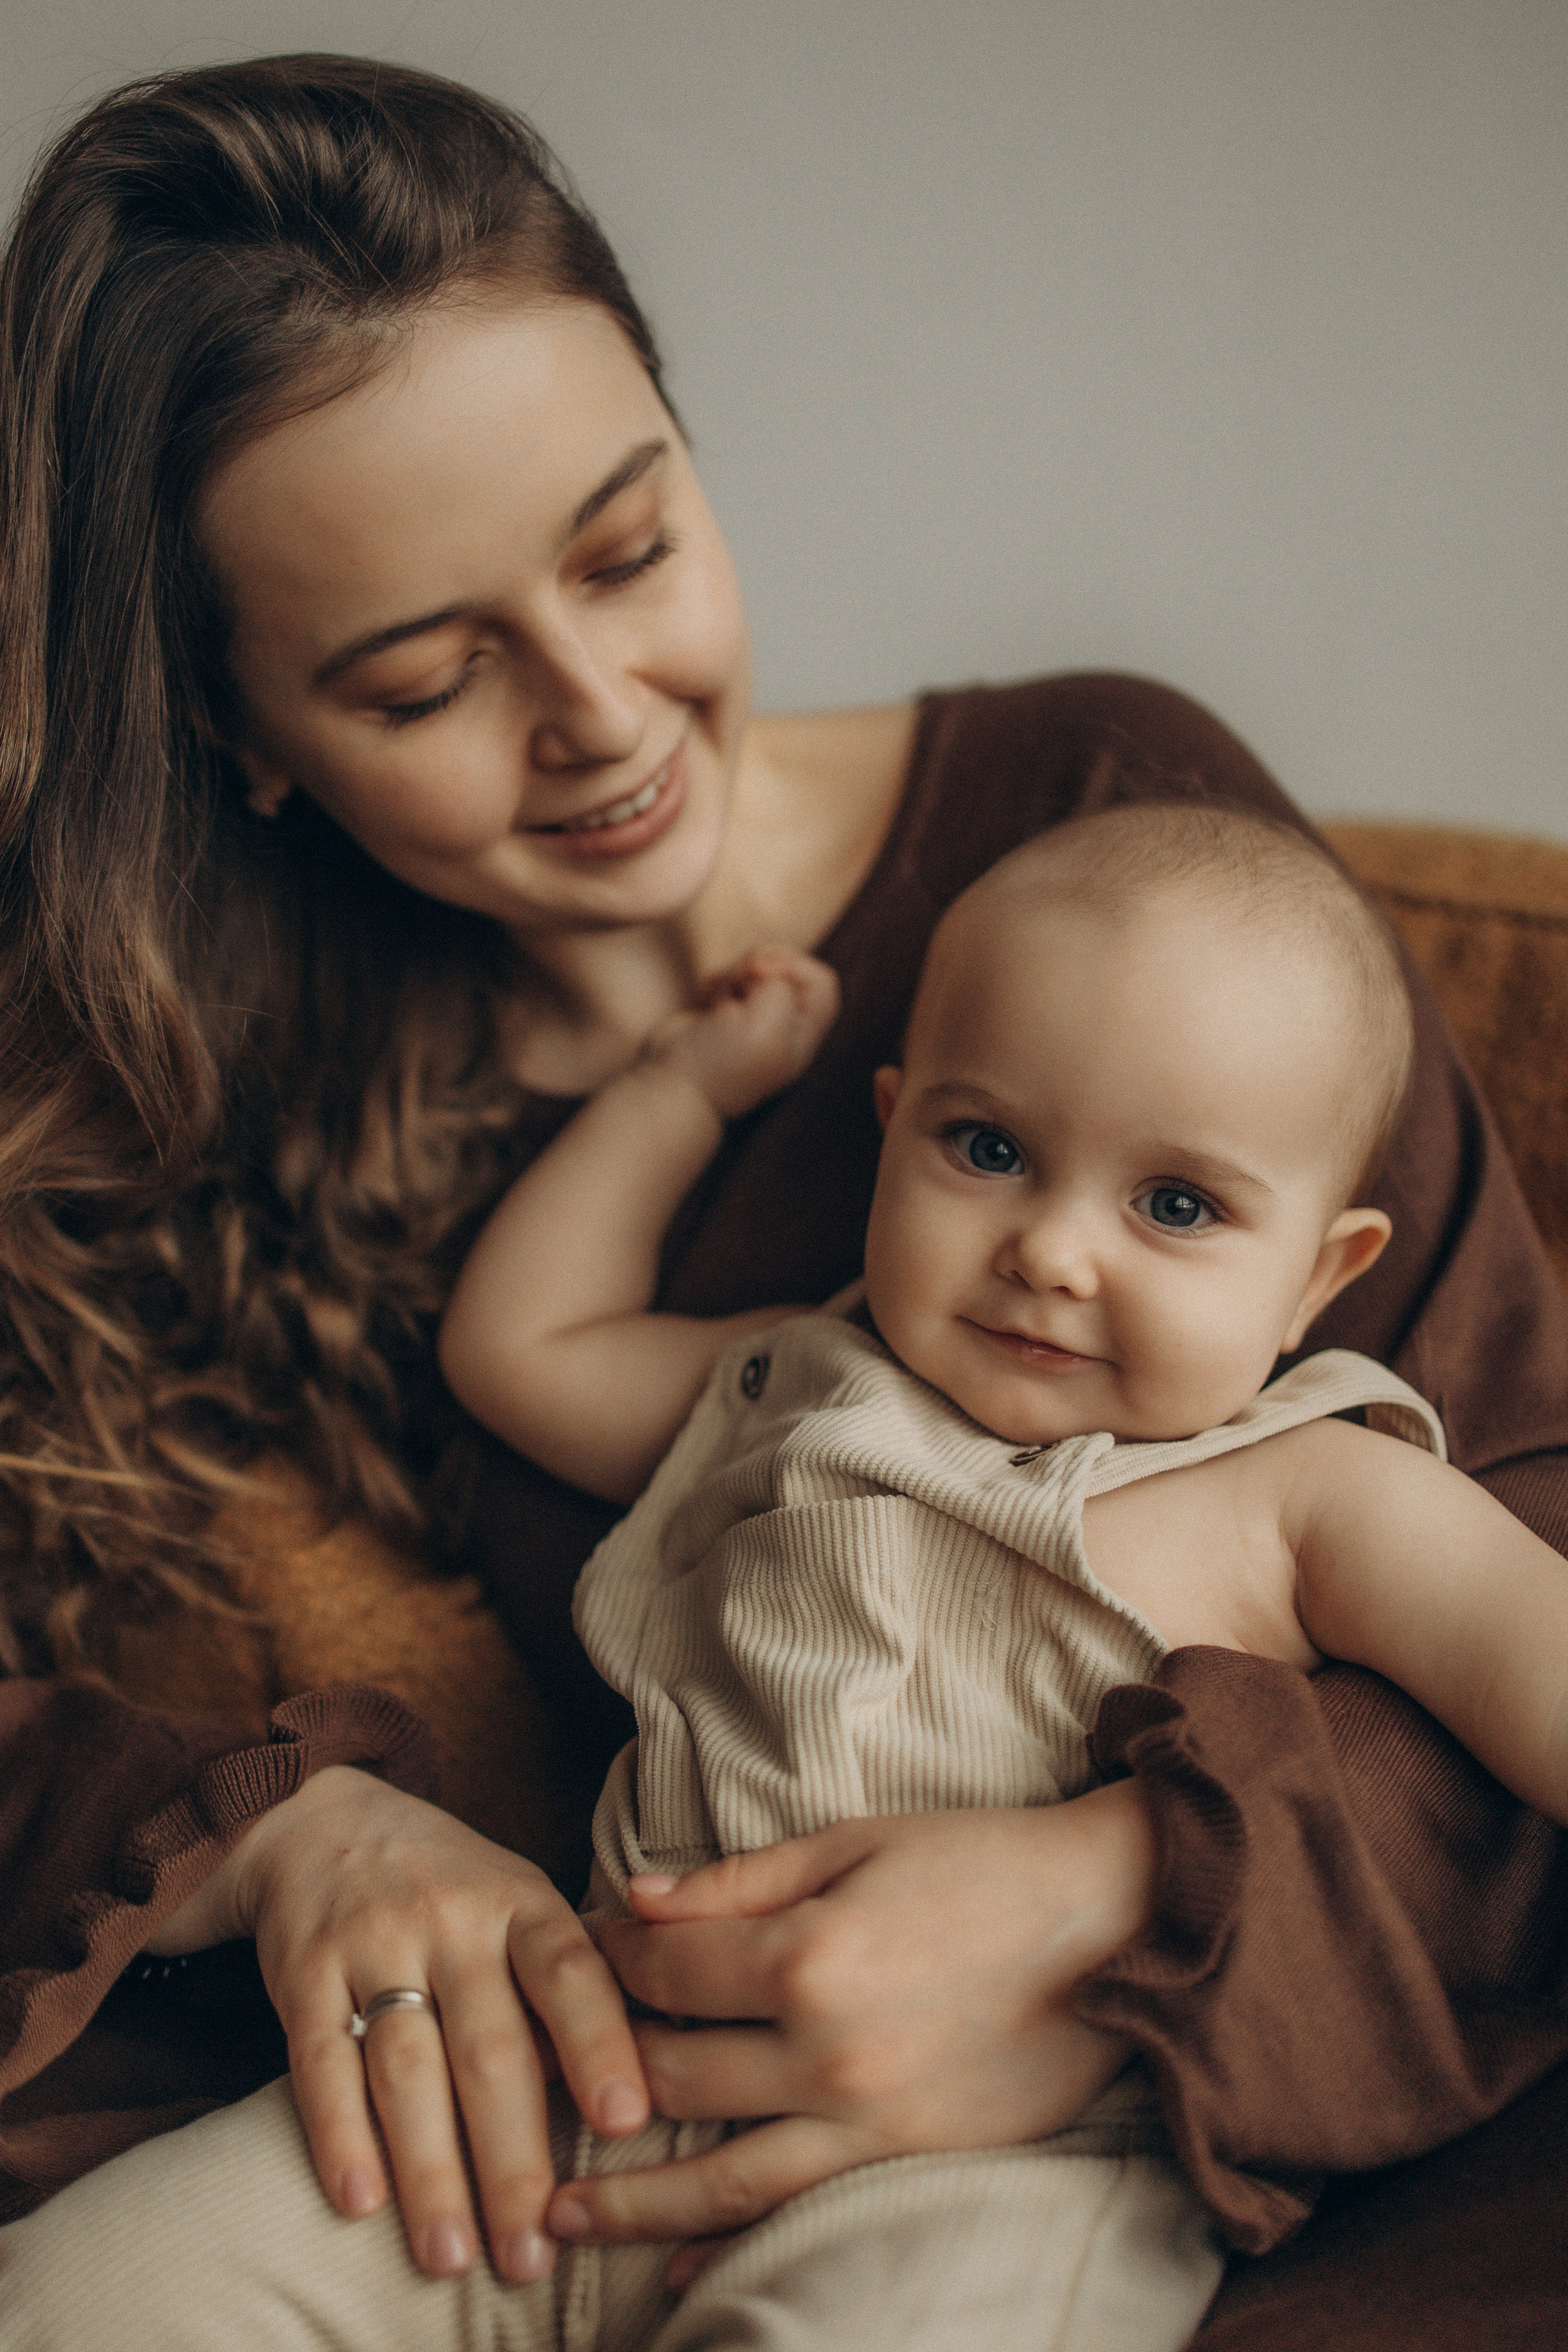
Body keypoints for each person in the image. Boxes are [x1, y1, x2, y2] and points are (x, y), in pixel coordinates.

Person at [0, 50, 1566, 2352]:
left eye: (630, 548)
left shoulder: (1115, 860)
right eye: (425, 681)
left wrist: (1121, 1903)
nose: (602, 713)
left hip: (1160, 2149)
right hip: (592, 2115)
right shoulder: (166, 1127)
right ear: (239, 734)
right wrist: (282, 1826)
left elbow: (1517, 1565)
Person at [425, 802, 1563, 2348]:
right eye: (987, 1151)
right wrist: (677, 1091)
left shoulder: (1311, 1492)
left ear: (1318, 1276)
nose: (1049, 1252)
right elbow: (521, 1350)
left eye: (1175, 1205)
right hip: (574, 2085)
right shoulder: (791, 1382)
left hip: (995, 2169)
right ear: (890, 1130)